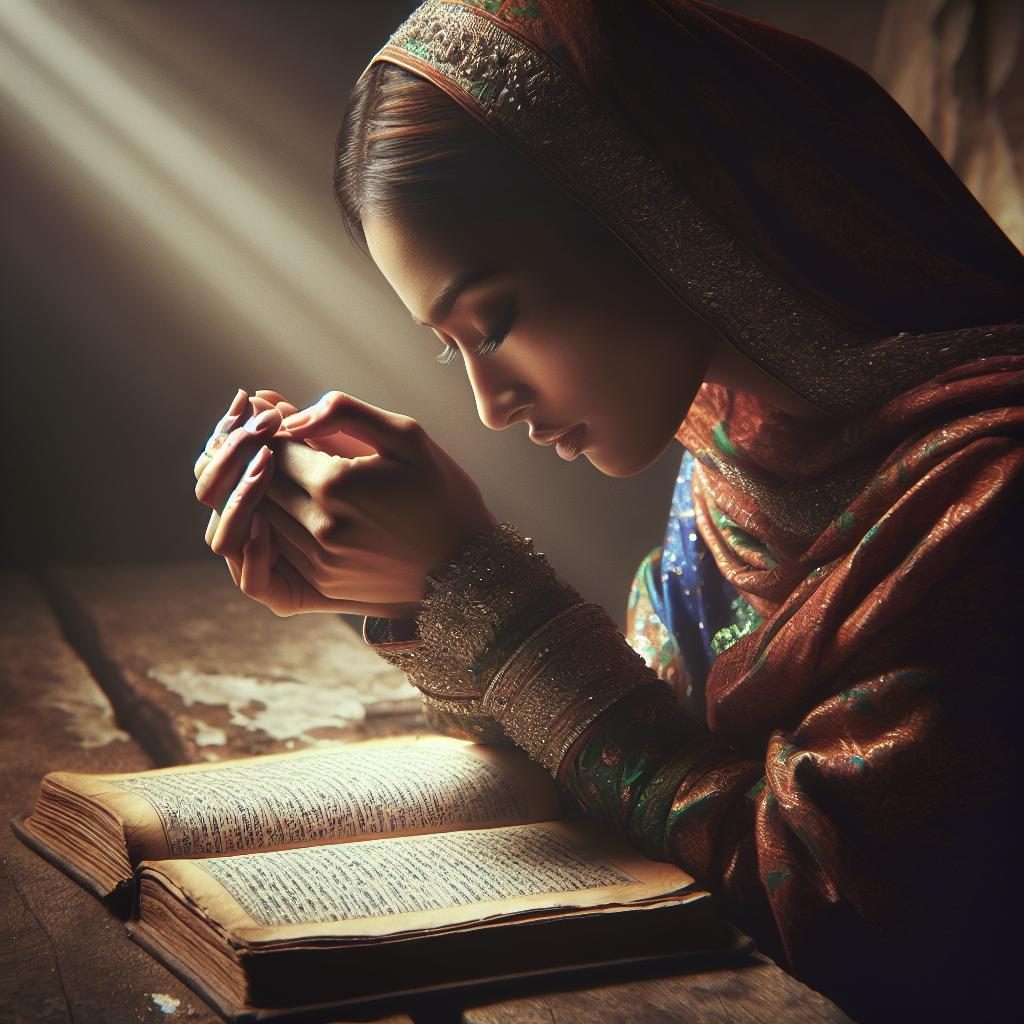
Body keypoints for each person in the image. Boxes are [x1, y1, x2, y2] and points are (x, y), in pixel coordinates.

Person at [192, 2, 1024, 1020]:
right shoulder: (734, 444)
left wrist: (482, 590)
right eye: (447, 348)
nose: (491, 405)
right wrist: (419, 596)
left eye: (493, 320)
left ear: (659, 210)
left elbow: (842, 911)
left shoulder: (991, 493)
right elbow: (642, 754)